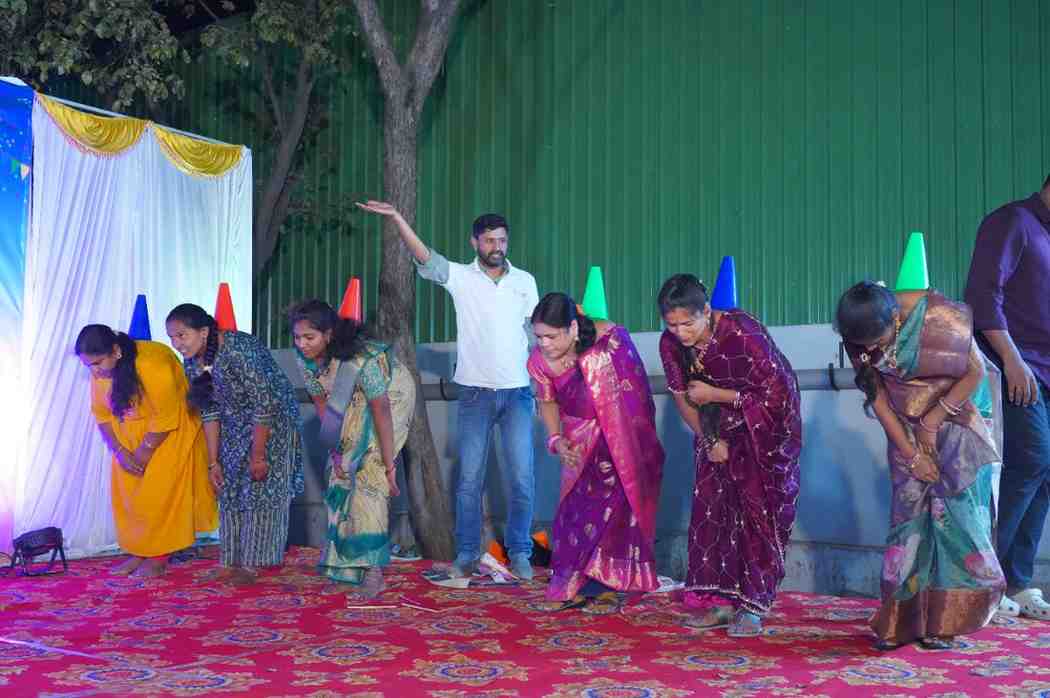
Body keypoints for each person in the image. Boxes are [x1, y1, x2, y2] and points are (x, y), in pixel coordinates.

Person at [356, 201, 538, 579]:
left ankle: (521, 553)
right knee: (469, 480)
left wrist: (545, 383)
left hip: (519, 394)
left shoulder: (525, 281)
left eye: (502, 240)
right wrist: (398, 218)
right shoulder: (461, 277)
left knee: (522, 477)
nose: (497, 247)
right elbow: (425, 257)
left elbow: (535, 337)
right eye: (489, 240)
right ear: (475, 243)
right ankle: (467, 553)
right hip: (475, 394)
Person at [836, 281, 1005, 650]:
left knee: (955, 519)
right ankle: (901, 621)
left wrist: (933, 421)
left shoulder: (940, 318)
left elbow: (975, 373)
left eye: (877, 341)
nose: (871, 350)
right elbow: (879, 401)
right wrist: (912, 455)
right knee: (909, 523)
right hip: (905, 430)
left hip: (957, 420)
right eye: (863, 345)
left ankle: (946, 623)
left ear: (895, 319)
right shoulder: (860, 333)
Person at [657, 273, 801, 637]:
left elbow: (779, 395)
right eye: (672, 325)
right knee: (714, 516)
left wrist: (719, 396)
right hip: (712, 434)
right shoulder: (670, 345)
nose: (680, 333)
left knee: (757, 518)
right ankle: (719, 603)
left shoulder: (742, 334)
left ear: (706, 311)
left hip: (762, 436)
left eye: (688, 324)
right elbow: (683, 399)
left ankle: (752, 606)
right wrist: (711, 441)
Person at [527, 293, 664, 614]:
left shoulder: (610, 343)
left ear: (573, 328)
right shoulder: (539, 361)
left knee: (614, 514)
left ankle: (607, 590)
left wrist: (620, 439)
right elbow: (547, 401)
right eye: (538, 336)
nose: (544, 343)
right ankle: (572, 587)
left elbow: (635, 395)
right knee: (574, 515)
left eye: (551, 336)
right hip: (578, 444)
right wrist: (556, 440)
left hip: (620, 443)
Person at [165, 304, 303, 584]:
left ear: (204, 332)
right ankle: (230, 561)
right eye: (172, 338)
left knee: (260, 488)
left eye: (181, 335)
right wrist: (213, 462)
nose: (176, 344)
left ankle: (253, 565)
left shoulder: (239, 349)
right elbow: (209, 411)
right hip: (233, 423)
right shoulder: (192, 361)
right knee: (227, 486)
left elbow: (265, 404)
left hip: (273, 423)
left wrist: (258, 456)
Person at [965, 174, 1050, 620]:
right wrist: (1012, 360)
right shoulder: (1013, 221)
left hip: (1045, 369)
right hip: (1017, 365)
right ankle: (986, 581)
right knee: (1030, 460)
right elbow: (983, 295)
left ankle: (1017, 580)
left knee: (1045, 472)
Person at [289, 300, 416, 597]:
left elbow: (381, 409)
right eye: (297, 337)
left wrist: (388, 463)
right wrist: (336, 450)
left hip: (392, 394)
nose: (302, 344)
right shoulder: (305, 359)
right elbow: (323, 403)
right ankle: (345, 570)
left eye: (309, 337)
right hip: (349, 399)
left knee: (370, 475)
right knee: (340, 473)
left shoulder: (361, 358)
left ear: (329, 334)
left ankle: (373, 573)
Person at [75, 324, 217, 577]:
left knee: (159, 494)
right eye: (88, 365)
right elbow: (102, 415)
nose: (94, 371)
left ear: (116, 351)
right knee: (131, 496)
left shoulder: (152, 364)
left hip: (171, 430)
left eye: (97, 363)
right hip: (129, 435)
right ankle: (140, 550)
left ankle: (159, 555)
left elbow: (166, 416)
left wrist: (143, 453)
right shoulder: (101, 371)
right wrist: (120, 451)